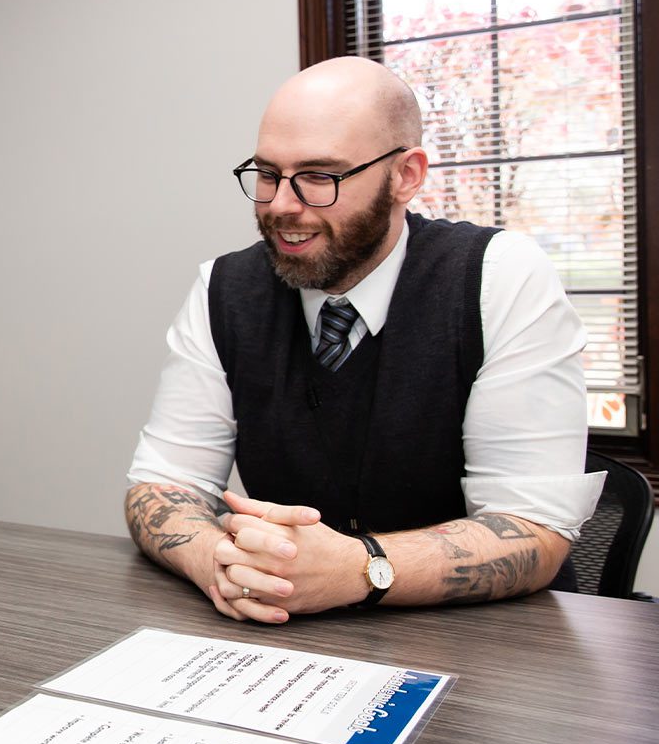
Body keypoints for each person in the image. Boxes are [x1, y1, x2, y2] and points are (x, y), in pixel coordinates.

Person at [124, 57, 604, 624]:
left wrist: (358, 569)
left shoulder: (500, 277)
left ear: (406, 175)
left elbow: (533, 532)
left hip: (490, 642)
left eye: (320, 176)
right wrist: (220, 564)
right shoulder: (223, 289)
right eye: (268, 174)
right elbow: (161, 486)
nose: (281, 204)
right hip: (292, 640)